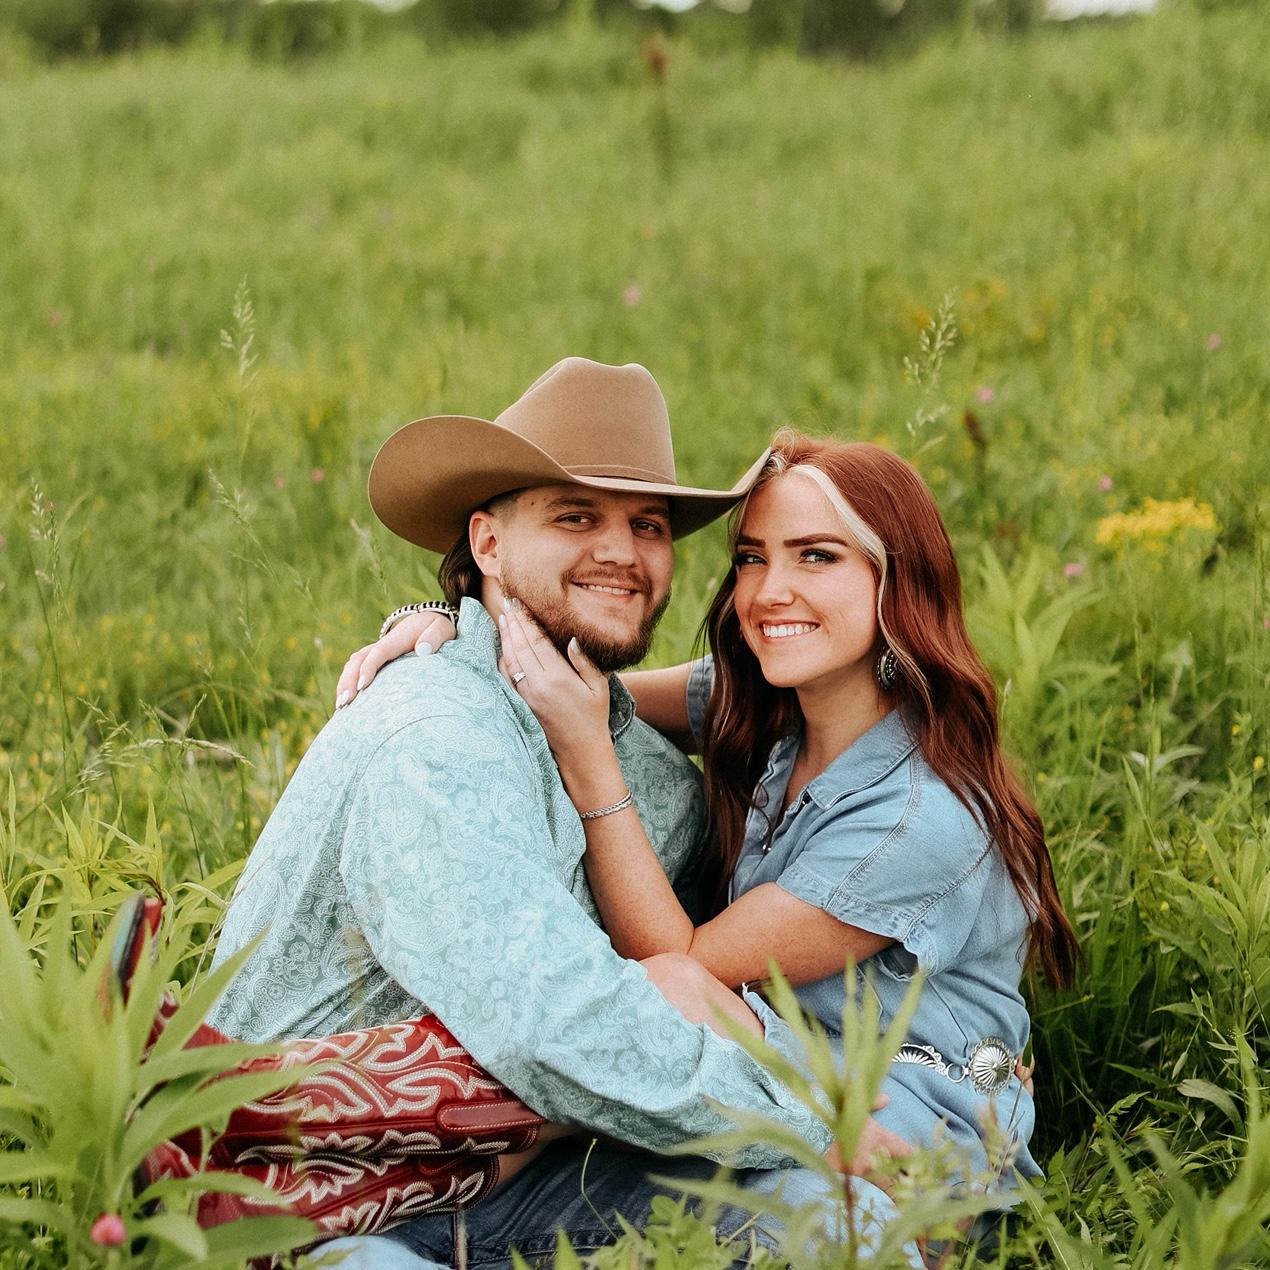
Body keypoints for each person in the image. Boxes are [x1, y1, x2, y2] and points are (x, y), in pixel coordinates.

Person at [197, 359, 914, 1269]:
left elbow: (694, 928)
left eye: (646, 525)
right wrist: (807, 1120)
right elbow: (548, 1020)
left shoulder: (631, 759)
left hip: (512, 1162)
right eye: (575, 516)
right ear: (488, 545)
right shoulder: (432, 741)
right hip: (314, 1188)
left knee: (845, 1227)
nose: (620, 552)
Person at [342, 431, 1078, 1264]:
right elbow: (575, 682)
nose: (771, 591)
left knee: (645, 1009)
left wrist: (589, 760)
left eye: (817, 556)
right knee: (576, 1080)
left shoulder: (917, 819)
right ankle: (370, 1185)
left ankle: (365, 1196)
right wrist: (455, 628)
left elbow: (682, 964)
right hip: (768, 1078)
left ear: (897, 580)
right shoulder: (771, 698)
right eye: (754, 558)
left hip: (903, 1138)